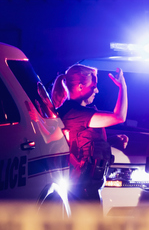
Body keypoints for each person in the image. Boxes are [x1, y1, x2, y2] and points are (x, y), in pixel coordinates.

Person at [51, 64, 128, 200]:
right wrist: (123, 86)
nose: (97, 91)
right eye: (93, 86)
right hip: (82, 189)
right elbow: (119, 117)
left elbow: (83, 142)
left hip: (86, 186)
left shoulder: (74, 112)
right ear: (80, 87)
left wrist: (111, 141)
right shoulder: (75, 113)